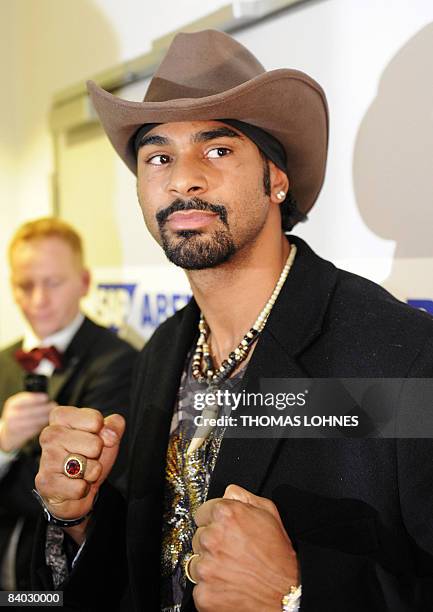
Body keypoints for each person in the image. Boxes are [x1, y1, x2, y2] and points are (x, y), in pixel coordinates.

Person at [33, 30, 433, 612]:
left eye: (217, 149)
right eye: (159, 157)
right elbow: (144, 571)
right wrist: (75, 517)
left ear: (276, 179)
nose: (182, 178)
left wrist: (296, 594)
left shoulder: (402, 358)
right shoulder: (163, 352)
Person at [0, 217, 137, 591]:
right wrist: (3, 443)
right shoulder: (1, 361)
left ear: (84, 283)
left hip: (66, 581)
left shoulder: (118, 362)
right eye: (25, 285)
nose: (39, 299)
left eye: (53, 283)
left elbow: (86, 486)